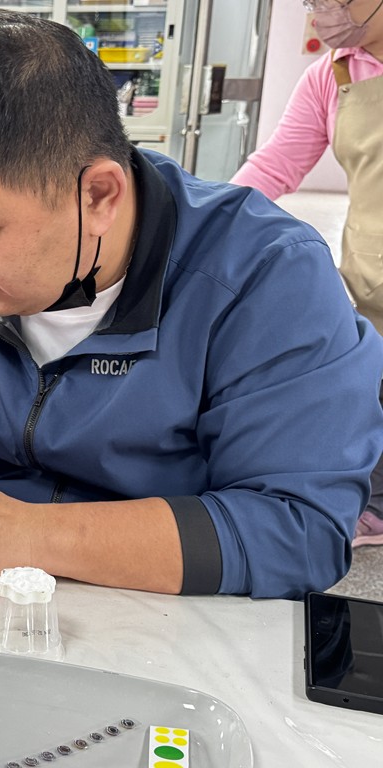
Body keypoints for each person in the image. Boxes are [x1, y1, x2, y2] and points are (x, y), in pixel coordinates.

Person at [0, 8, 383, 600]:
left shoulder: (265, 278)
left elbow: (298, 527)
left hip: (163, 611)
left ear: (100, 194)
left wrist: (31, 536)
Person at [231, 0, 383, 548]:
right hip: (372, 274)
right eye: (311, 2)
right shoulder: (332, 76)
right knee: (371, 389)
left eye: (331, 1)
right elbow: (275, 165)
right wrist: (203, 223)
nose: (320, 14)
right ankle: (373, 506)